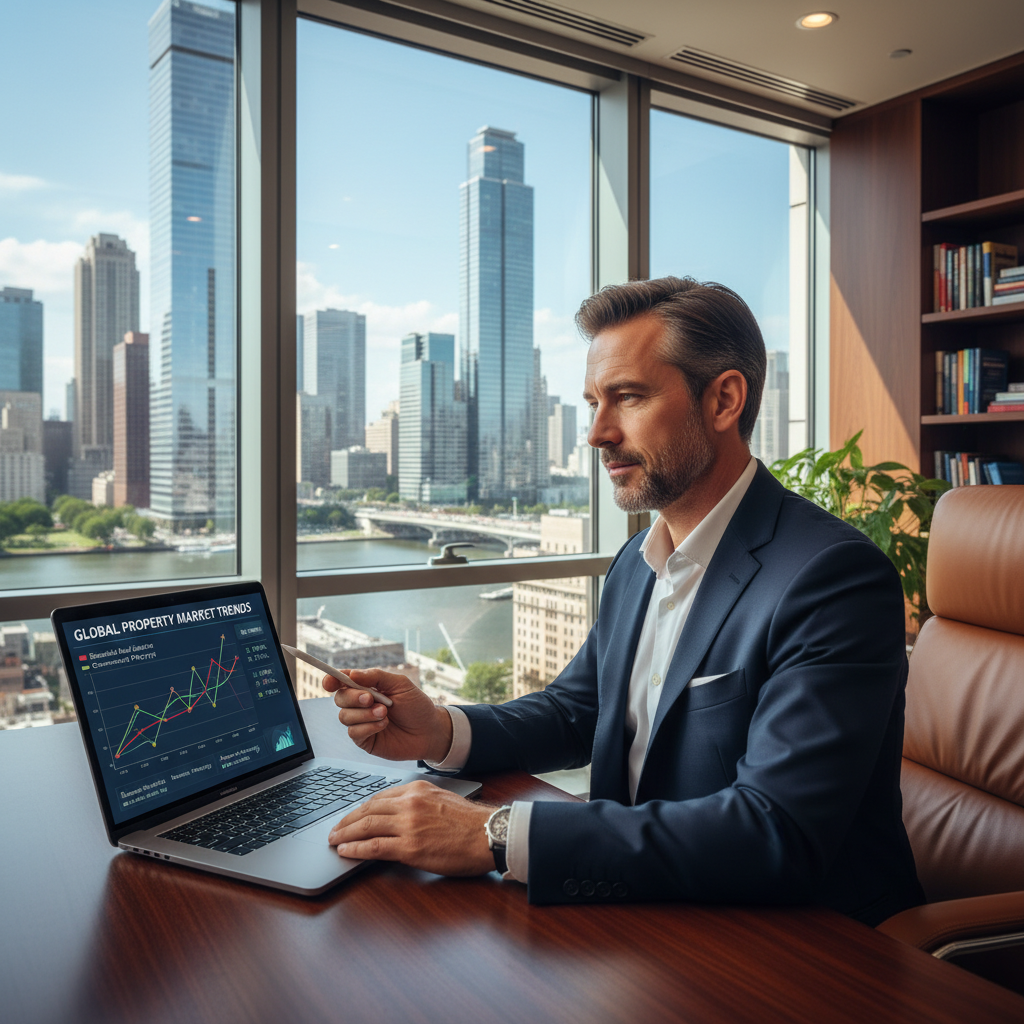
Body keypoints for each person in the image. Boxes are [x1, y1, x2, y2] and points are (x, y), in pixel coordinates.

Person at [323, 276, 924, 925]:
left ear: (723, 400)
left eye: (628, 398)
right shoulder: (637, 566)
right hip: (644, 912)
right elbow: (578, 711)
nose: (597, 434)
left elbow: (774, 829)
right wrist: (442, 730)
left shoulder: (831, 578)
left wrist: (494, 834)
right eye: (592, 404)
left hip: (806, 947)